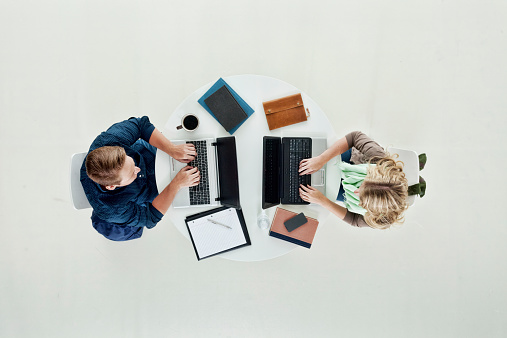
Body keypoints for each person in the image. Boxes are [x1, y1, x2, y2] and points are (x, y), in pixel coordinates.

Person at [80, 116, 200, 241]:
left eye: (132, 162)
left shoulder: (108, 141)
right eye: (132, 173)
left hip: (148, 152)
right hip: (151, 191)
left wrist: (172, 149)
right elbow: (150, 217)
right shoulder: (111, 210)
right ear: (112, 186)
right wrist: (176, 184)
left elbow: (141, 125)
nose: (138, 169)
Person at [298, 131, 408, 229]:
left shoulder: (380, 219)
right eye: (362, 185)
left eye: (362, 200)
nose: (356, 191)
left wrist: (323, 201)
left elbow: (354, 220)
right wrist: (322, 159)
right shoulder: (378, 158)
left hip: (346, 195)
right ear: (370, 174)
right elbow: (354, 137)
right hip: (350, 162)